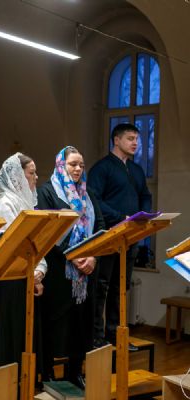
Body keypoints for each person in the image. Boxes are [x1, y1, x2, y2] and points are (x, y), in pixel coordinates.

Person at [37, 146, 104, 389]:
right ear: (60, 165)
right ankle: (47, 373)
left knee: (81, 325)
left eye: (81, 165)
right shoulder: (46, 191)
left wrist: (93, 256)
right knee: (54, 323)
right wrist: (72, 254)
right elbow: (47, 229)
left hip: (86, 272)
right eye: (72, 164)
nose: (77, 169)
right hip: (58, 270)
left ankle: (75, 372)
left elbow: (101, 224)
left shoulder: (88, 193)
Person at [88, 123, 152, 349]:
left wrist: (142, 216)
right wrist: (120, 217)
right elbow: (94, 199)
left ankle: (115, 334)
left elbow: (145, 195)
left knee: (121, 286)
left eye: (137, 139)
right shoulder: (102, 168)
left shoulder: (136, 170)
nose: (135, 143)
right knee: (102, 286)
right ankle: (96, 336)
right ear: (116, 140)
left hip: (130, 236)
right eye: (130, 138)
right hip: (108, 235)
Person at [0, 153, 46, 383]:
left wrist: (39, 272)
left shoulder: (27, 202)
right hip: (12, 279)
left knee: (27, 335)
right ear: (18, 176)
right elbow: (11, 247)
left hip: (29, 278)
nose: (36, 177)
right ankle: (8, 383)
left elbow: (40, 243)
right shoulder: (6, 204)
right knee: (12, 335)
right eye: (31, 173)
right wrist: (31, 272)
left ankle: (26, 381)